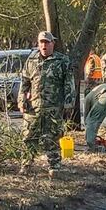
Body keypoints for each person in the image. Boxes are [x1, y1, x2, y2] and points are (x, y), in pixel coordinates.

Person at [19, 30, 75, 177]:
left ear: (52, 44)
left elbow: (69, 83)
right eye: (41, 42)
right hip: (34, 107)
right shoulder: (31, 60)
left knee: (53, 137)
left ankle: (54, 166)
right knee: (29, 136)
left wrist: (69, 103)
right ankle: (26, 165)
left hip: (54, 107)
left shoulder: (62, 61)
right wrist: (22, 100)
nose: (44, 45)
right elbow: (24, 82)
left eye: (47, 42)